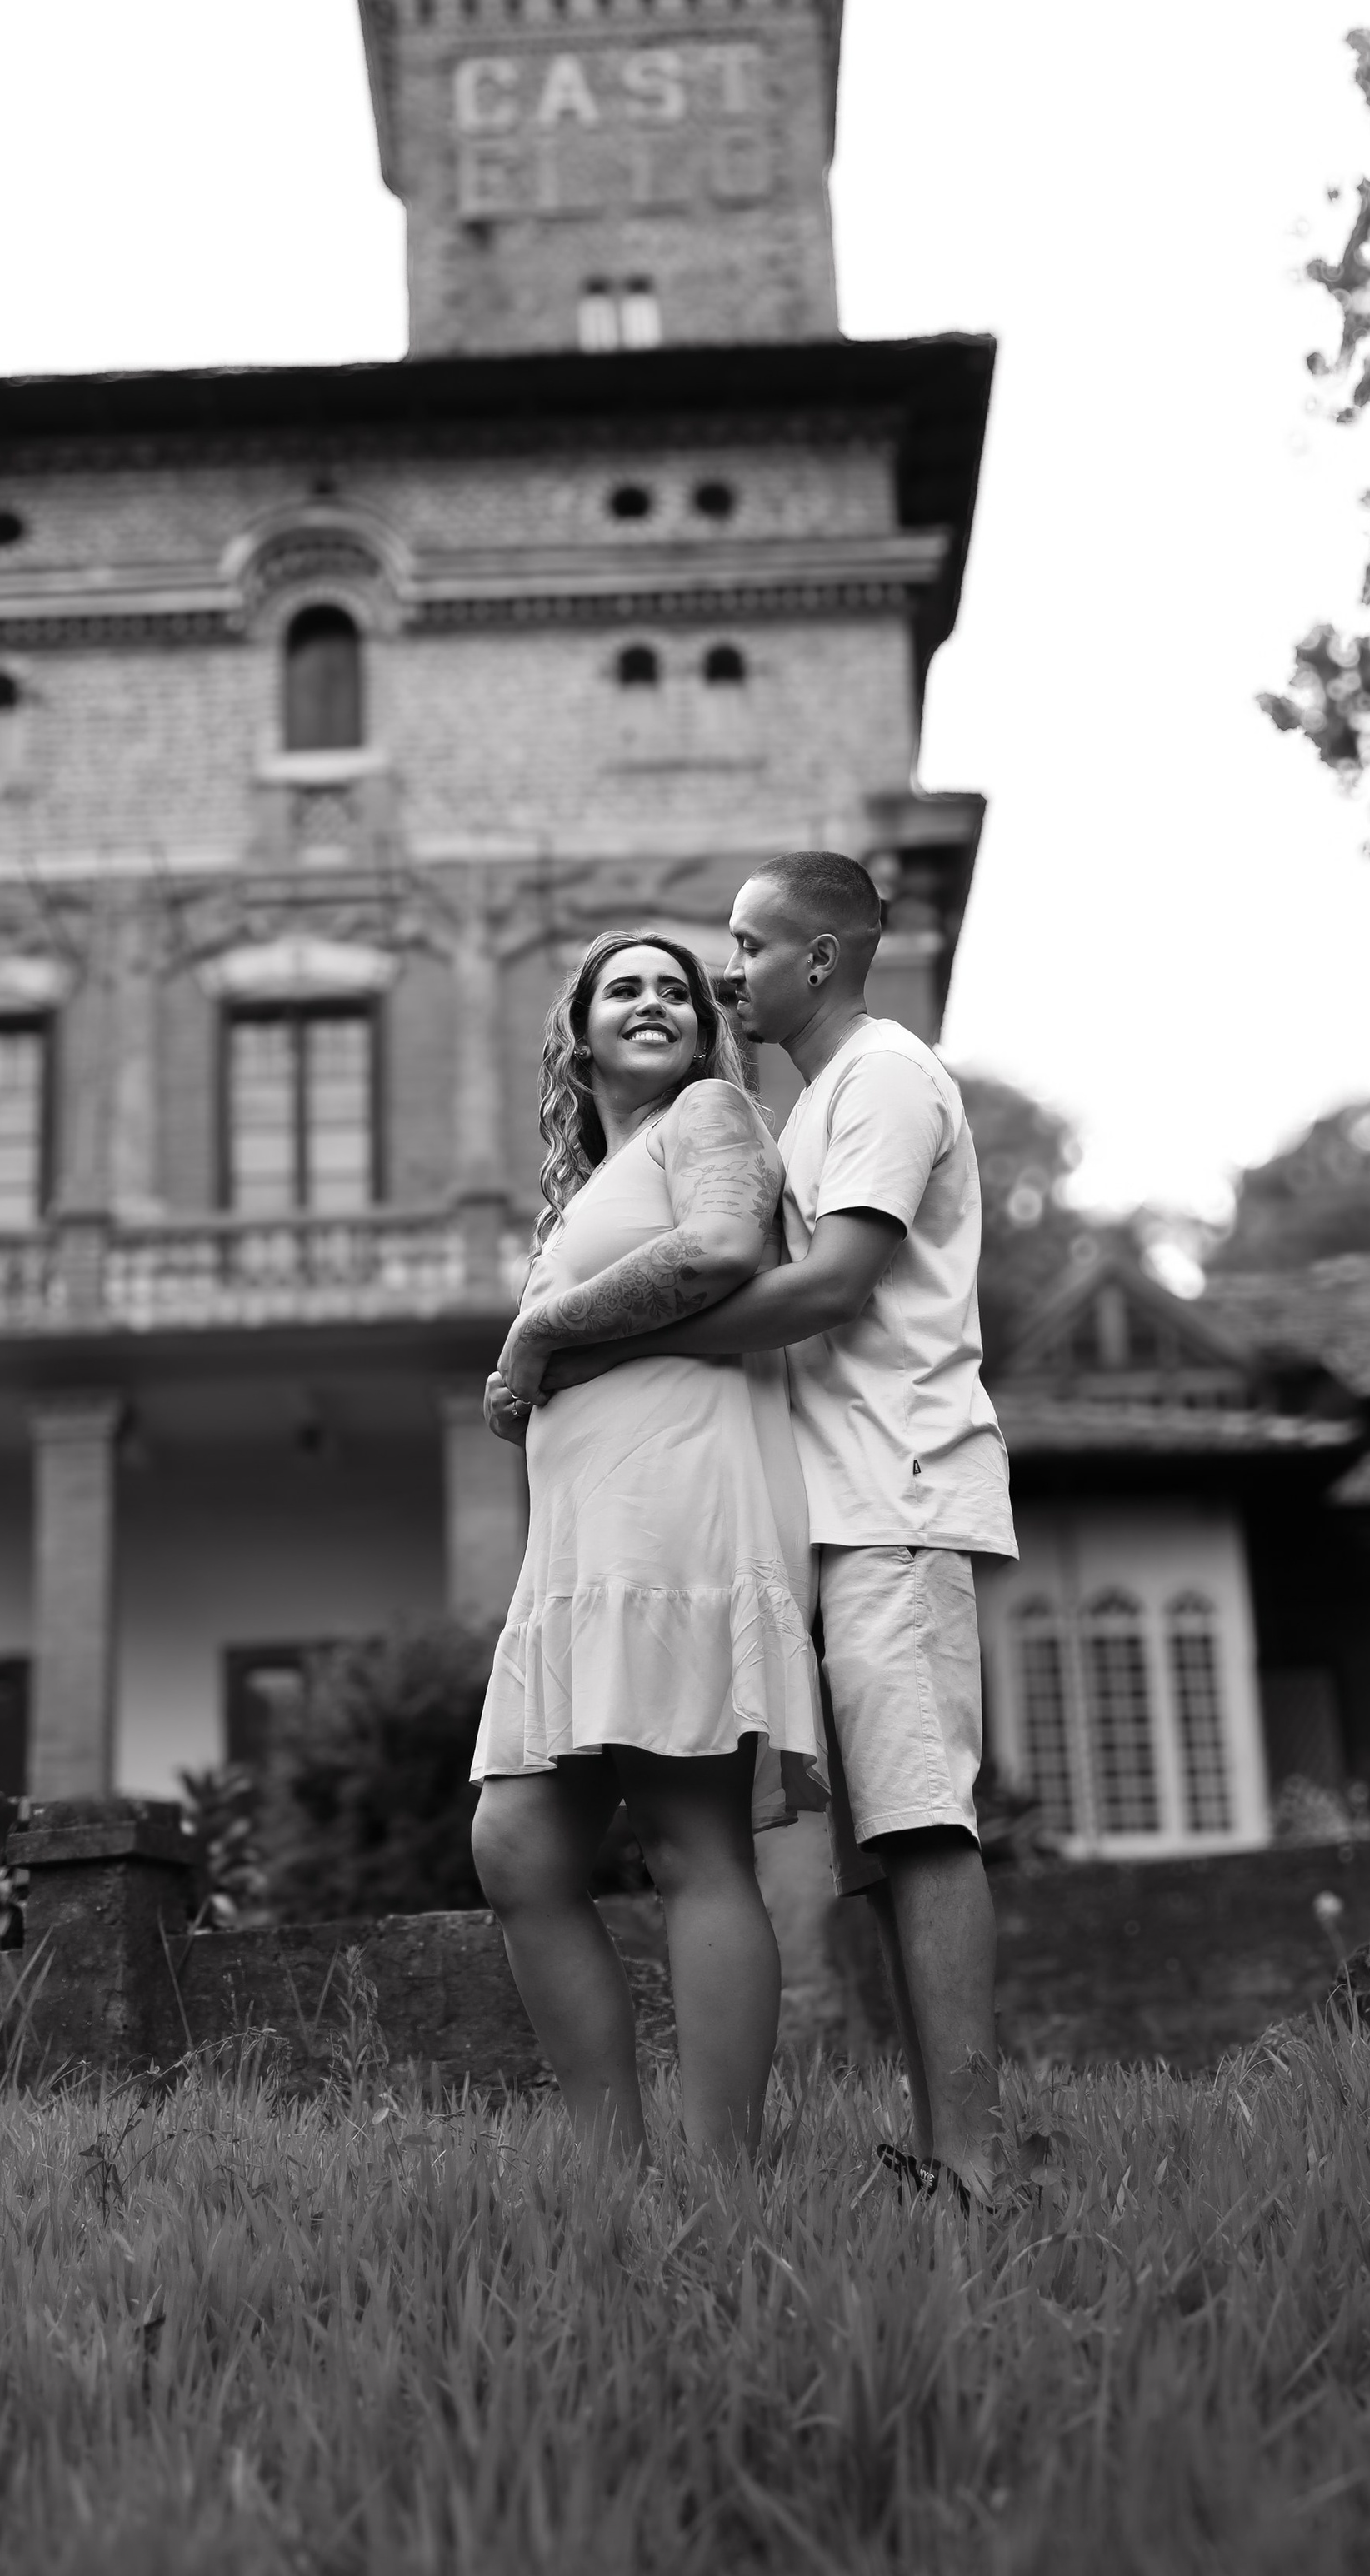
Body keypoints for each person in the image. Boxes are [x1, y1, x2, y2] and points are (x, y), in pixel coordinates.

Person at [538, 853, 1019, 2205]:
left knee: (922, 1823)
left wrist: (603, 1342)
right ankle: (938, 2151)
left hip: (897, 1490)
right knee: (882, 1841)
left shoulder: (885, 1078)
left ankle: (975, 2165)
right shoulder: (805, 1110)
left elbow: (833, 1288)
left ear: (817, 958)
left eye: (746, 946)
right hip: (831, 1503)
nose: (726, 971)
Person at [468, 929, 824, 2162]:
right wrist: (530, 1380)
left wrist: (533, 1339)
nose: (655, 1001)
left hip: (676, 1512)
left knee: (691, 1842)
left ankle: (722, 2184)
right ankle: (614, 2179)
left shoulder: (710, 1114)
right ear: (578, 1038)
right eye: (623, 989)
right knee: (519, 1848)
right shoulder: (592, 1184)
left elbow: (722, 1251)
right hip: (584, 1543)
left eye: (676, 989)